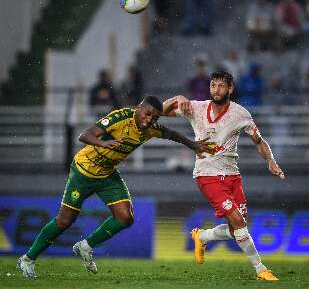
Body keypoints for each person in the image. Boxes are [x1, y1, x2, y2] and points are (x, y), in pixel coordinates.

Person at [17, 96, 212, 278]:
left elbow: (171, 134)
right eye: (147, 114)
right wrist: (104, 143)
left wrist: (193, 145)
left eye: (154, 117)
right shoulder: (120, 118)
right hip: (83, 171)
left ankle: (85, 246)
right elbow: (84, 135)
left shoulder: (150, 127)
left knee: (125, 218)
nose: (150, 119)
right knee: (64, 221)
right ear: (138, 109)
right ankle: (27, 259)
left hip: (107, 174)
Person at [163, 71, 285, 281]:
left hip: (232, 175)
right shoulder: (196, 107)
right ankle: (260, 269)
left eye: (221, 86)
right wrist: (176, 98)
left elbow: (259, 141)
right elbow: (160, 111)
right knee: (238, 221)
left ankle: (202, 236)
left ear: (230, 89)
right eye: (213, 85)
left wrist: (271, 160)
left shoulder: (241, 114)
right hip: (207, 174)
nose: (216, 90)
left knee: (238, 226)